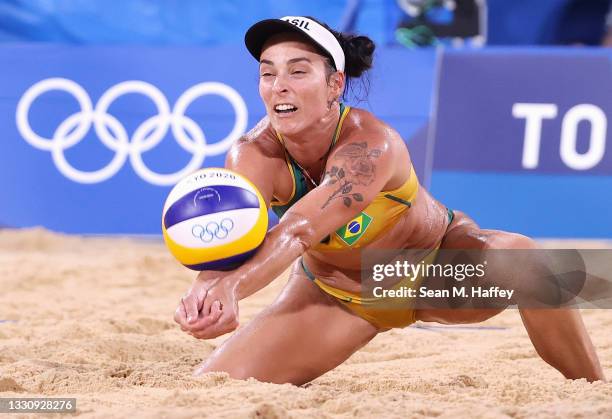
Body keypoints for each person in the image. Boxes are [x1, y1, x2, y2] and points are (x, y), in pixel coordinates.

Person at [173, 16, 605, 385]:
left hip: (433, 270)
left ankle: (595, 390)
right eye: (268, 73)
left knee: (533, 263)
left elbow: (300, 229)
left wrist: (232, 288)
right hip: (335, 295)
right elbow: (230, 238)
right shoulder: (252, 152)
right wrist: (205, 288)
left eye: (298, 72)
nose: (279, 87)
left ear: (334, 85)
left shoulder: (371, 144)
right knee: (215, 387)